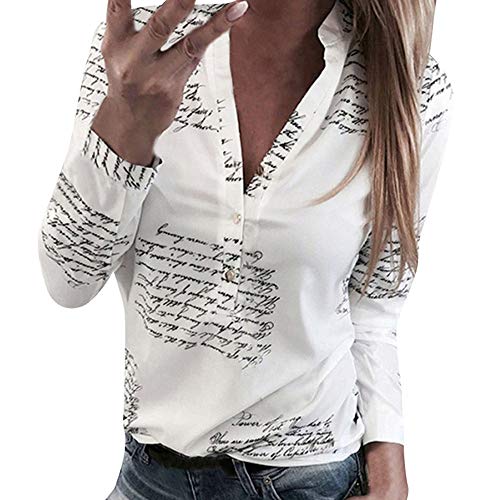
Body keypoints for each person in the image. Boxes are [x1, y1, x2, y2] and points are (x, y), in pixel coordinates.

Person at [37, 0, 454, 498]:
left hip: (311, 479)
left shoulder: (412, 85)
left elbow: (375, 309)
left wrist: (389, 467)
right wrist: (124, 126)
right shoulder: (142, 46)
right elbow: (68, 282)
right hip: (151, 476)